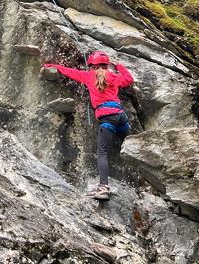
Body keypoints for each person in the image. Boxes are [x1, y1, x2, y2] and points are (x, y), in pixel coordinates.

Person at [43, 51, 134, 201]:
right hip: (120, 116)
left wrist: (53, 66)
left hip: (106, 118)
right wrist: (118, 65)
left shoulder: (88, 76)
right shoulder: (113, 76)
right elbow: (128, 80)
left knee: (102, 152)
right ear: (106, 64)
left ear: (91, 65)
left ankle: (103, 188)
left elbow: (69, 72)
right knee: (128, 141)